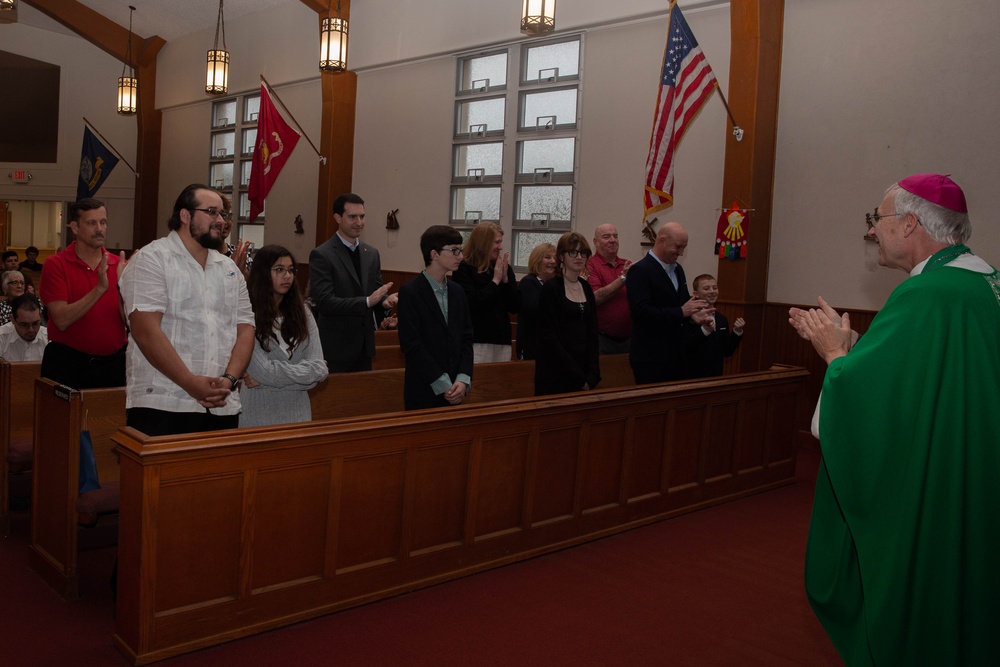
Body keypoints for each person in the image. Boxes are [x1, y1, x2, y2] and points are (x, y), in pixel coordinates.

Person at [788, 174, 999, 666]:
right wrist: (863, 357)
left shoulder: (927, 294)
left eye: (875, 220)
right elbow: (934, 385)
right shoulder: (980, 280)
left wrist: (836, 357)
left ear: (909, 224)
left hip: (942, 487)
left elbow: (867, 411)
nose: (869, 233)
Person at [119, 184, 254, 436]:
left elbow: (245, 328)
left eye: (222, 214)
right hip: (163, 402)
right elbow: (145, 331)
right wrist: (190, 383)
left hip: (221, 405)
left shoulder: (229, 269)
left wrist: (229, 379)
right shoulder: (152, 259)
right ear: (185, 215)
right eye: (211, 212)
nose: (220, 220)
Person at [38, 198, 128, 389]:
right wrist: (99, 289)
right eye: (91, 223)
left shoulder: (118, 265)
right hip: (68, 364)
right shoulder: (56, 265)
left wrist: (126, 292)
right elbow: (61, 320)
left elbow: (129, 322)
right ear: (75, 227)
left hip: (113, 365)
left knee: (111, 420)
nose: (99, 229)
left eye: (103, 222)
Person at [239, 245, 328, 427]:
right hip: (258, 415)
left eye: (290, 270)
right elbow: (263, 371)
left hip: (298, 414)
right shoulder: (246, 313)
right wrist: (306, 376)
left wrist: (263, 382)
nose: (287, 276)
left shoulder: (303, 312)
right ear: (262, 273)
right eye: (279, 269)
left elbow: (320, 370)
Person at [309, 193, 397, 372]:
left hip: (364, 347)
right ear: (337, 218)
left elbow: (375, 291)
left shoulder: (371, 253)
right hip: (336, 347)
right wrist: (366, 302)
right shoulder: (322, 255)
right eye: (352, 217)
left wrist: (385, 301)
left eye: (362, 216)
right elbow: (325, 302)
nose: (359, 222)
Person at [397, 225, 473, 410]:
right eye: (454, 250)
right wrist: (442, 383)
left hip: (456, 388)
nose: (460, 256)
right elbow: (412, 344)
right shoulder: (410, 292)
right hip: (424, 389)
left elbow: (467, 338)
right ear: (434, 254)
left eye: (460, 250)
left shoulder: (458, 291)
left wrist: (462, 379)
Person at [626, 222, 712, 384]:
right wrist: (681, 312)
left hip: (676, 354)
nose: (681, 252)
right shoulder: (640, 270)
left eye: (684, 248)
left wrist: (694, 314)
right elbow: (640, 312)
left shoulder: (678, 269)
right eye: (678, 247)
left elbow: (683, 302)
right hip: (651, 357)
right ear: (662, 241)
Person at [535, 232, 600, 396]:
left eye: (583, 253)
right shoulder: (551, 289)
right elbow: (549, 337)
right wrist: (577, 375)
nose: (579, 257)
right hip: (557, 371)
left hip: (584, 370)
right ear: (561, 256)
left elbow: (592, 332)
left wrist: (592, 372)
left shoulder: (585, 287)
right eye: (573, 252)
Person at [452, 221, 520, 363]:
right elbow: (472, 304)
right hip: (477, 339)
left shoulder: (502, 267)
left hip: (501, 339)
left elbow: (514, 306)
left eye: (500, 242)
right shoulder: (464, 268)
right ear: (484, 242)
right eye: (496, 242)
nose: (500, 247)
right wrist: (495, 281)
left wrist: (506, 280)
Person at [683, 274, 745, 378]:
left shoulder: (722, 319)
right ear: (696, 294)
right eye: (706, 288)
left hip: (716, 377)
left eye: (715, 288)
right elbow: (686, 348)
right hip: (693, 378)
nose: (712, 291)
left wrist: (737, 331)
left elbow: (727, 351)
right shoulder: (689, 318)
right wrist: (705, 330)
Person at [586, 224, 633, 354]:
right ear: (595, 242)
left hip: (629, 339)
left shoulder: (626, 264)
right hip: (603, 340)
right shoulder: (590, 265)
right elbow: (595, 297)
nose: (612, 240)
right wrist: (623, 278)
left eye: (615, 236)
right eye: (606, 237)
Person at [516, 242, 557, 360]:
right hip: (531, 347)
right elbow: (536, 310)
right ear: (537, 260)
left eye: (555, 258)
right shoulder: (529, 282)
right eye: (548, 257)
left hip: (550, 347)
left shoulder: (554, 284)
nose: (553, 261)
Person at [0, 294, 48, 361]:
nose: (31, 329)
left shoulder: (48, 339)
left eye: (35, 323)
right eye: (24, 325)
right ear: (13, 320)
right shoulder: (2, 337)